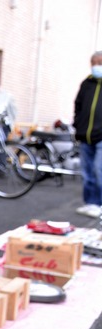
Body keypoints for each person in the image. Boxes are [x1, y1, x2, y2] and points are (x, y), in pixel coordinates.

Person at [74, 51, 102, 218]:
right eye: (94, 62)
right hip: (85, 135)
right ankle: (90, 203)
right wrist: (77, 124)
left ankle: (99, 204)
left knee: (99, 169)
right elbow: (78, 105)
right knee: (87, 172)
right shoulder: (86, 83)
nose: (96, 65)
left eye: (99, 62)